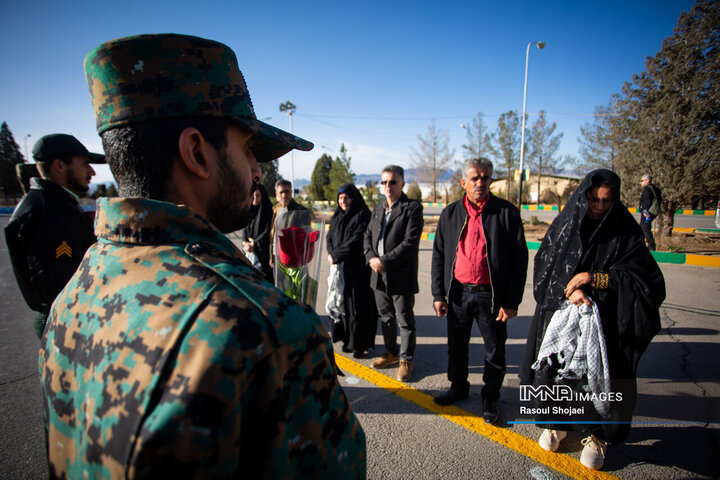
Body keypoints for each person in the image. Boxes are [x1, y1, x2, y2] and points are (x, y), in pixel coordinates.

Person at [39, 33, 365, 478]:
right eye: (248, 149)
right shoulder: (265, 330)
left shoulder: (76, 290)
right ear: (196, 152)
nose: (256, 171)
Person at [519, 169, 665, 470]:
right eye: (593, 199)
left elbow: (645, 282)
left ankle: (597, 435)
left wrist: (595, 279)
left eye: (607, 201)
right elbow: (544, 265)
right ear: (583, 195)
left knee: (598, 381)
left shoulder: (626, 230)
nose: (598, 207)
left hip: (607, 322)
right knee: (557, 374)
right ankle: (557, 424)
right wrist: (568, 290)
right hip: (562, 318)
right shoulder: (566, 223)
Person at [430, 158, 527, 424]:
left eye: (485, 178)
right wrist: (438, 294)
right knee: (456, 346)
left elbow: (520, 260)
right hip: (458, 293)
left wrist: (511, 302)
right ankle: (458, 387)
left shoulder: (506, 213)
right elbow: (439, 255)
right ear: (463, 182)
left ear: (491, 181)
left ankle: (490, 397)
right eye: (475, 178)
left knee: (494, 350)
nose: (480, 183)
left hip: (491, 296)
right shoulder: (450, 214)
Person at [5, 133, 104, 338]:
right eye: (85, 164)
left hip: (62, 319)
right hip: (67, 322)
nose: (92, 171)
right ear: (59, 165)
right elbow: (61, 284)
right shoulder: (52, 211)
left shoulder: (50, 202)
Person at [363, 165, 423, 382]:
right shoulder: (379, 207)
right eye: (384, 182)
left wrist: (384, 262)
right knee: (386, 318)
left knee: (404, 319)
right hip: (377, 274)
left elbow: (410, 243)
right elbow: (368, 235)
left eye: (392, 182)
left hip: (399, 274)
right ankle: (391, 353)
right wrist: (371, 258)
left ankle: (406, 359)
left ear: (402, 184)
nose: (387, 186)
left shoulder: (412, 208)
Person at [327, 183, 377, 357]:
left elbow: (356, 241)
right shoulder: (337, 216)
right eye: (340, 198)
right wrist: (332, 253)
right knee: (343, 305)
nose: (343, 201)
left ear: (353, 198)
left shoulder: (362, 216)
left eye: (346, 197)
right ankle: (347, 341)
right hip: (341, 269)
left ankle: (359, 345)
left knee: (357, 307)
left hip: (358, 271)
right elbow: (329, 237)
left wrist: (336, 255)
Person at [269, 178, 308, 268]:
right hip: (277, 257)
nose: (284, 195)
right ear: (276, 194)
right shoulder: (274, 210)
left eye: (287, 192)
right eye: (281, 192)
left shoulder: (300, 212)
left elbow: (305, 238)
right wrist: (271, 256)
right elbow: (272, 235)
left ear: (291, 192)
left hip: (293, 260)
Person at [241, 184, 273, 281]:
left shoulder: (267, 211)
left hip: (263, 252)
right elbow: (244, 230)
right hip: (249, 251)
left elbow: (267, 230)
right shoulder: (248, 211)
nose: (255, 198)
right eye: (253, 196)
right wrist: (244, 243)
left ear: (262, 196)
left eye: (258, 196)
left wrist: (255, 244)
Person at [638, 173, 663, 250]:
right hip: (653, 211)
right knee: (644, 227)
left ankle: (651, 246)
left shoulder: (647, 189)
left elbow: (647, 200)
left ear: (648, 181)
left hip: (647, 212)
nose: (640, 182)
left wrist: (645, 210)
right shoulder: (655, 189)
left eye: (642, 180)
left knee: (644, 227)